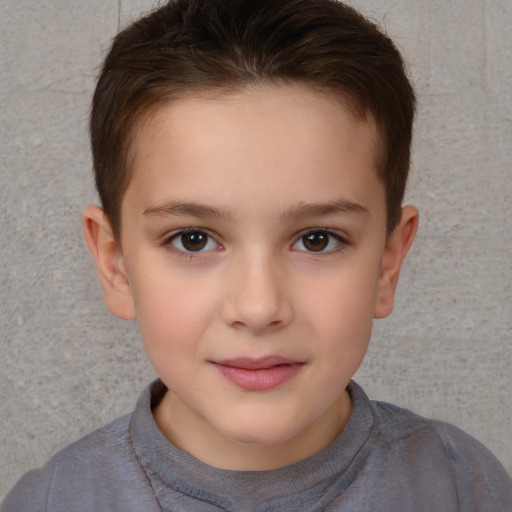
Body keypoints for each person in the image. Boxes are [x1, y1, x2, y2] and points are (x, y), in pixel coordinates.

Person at [2, 0, 511, 510]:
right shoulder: (50, 501)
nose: (258, 307)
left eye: (317, 239)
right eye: (193, 239)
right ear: (116, 265)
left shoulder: (464, 487)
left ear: (387, 263)